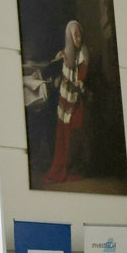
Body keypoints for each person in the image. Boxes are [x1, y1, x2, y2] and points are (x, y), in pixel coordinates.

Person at [43, 19, 90, 183]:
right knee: (62, 132)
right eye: (74, 36)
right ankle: (61, 165)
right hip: (64, 101)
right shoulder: (64, 54)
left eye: (79, 35)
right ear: (69, 37)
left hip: (77, 101)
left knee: (74, 133)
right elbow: (56, 74)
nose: (77, 39)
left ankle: (72, 167)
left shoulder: (83, 53)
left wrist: (72, 83)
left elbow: (81, 79)